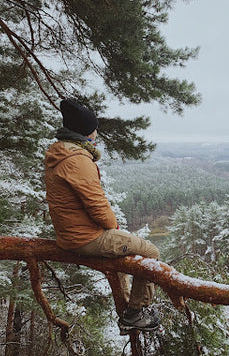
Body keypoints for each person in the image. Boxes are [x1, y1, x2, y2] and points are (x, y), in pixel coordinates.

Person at [44, 99, 160, 334]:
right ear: (86, 132)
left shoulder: (59, 154)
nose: (97, 133)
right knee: (150, 253)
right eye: (94, 128)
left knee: (122, 255)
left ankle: (129, 308)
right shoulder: (77, 161)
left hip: (69, 235)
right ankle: (136, 313)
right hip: (85, 238)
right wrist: (112, 225)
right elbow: (99, 209)